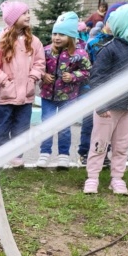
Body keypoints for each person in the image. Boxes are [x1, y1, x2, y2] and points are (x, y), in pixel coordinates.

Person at [83, 3, 128, 195]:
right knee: (100, 144)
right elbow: (97, 78)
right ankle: (92, 177)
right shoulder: (109, 49)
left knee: (122, 145)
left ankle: (117, 179)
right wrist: (101, 103)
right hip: (108, 109)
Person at [0, 1, 45, 166]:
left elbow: (40, 63)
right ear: (13, 18)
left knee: (21, 127)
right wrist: (4, 81)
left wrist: (33, 78)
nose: (28, 16)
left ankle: (16, 156)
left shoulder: (34, 41)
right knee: (2, 126)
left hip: (26, 95)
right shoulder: (2, 41)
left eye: (29, 12)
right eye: (24, 13)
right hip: (7, 94)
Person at [37, 12, 91, 169]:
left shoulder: (79, 54)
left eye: (62, 34)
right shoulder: (46, 51)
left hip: (69, 96)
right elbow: (38, 66)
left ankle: (63, 156)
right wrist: (44, 75)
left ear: (71, 36)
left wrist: (73, 76)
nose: (57, 37)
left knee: (64, 126)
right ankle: (44, 153)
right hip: (48, 96)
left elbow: (87, 71)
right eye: (55, 33)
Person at [77, 2, 126, 165]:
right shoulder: (93, 43)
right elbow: (86, 66)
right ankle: (84, 153)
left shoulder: (125, 45)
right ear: (107, 21)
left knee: (108, 124)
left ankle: (103, 154)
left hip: (113, 93)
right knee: (89, 123)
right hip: (91, 90)